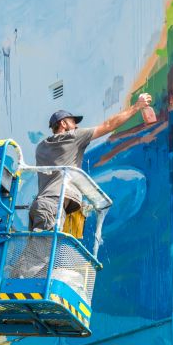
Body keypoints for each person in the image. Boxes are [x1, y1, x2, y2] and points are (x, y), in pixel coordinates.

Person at [29, 93, 153, 237]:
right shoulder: (73, 136)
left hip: (39, 206)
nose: (76, 126)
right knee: (44, 255)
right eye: (73, 122)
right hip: (53, 206)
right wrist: (137, 106)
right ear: (63, 124)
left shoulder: (41, 147)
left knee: (35, 255)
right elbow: (108, 125)